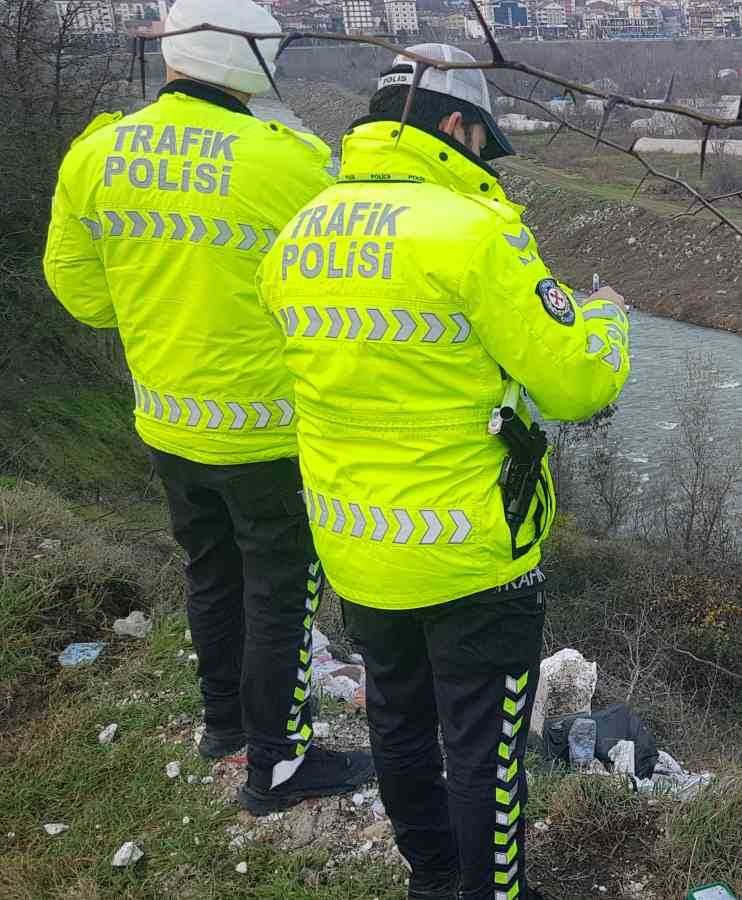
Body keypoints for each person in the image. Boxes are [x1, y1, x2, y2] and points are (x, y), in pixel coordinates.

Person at [255, 44, 630, 900]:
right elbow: (575, 383)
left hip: (357, 538)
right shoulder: (472, 231)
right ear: (455, 125)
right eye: (480, 142)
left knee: (396, 723)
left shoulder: (303, 229)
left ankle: (432, 879)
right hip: (471, 551)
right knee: (485, 750)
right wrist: (608, 322)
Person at [42, 0, 373, 814]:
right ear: (250, 60)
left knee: (211, 574)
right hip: (269, 432)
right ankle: (279, 763)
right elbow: (341, 287)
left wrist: (163, 315)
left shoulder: (97, 152)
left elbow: (80, 292)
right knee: (280, 589)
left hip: (166, 418)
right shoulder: (290, 161)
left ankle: (224, 724)